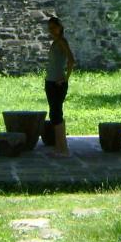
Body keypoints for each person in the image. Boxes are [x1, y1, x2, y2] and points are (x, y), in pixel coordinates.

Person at [44, 16, 75, 156]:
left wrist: (65, 78)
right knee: (55, 114)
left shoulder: (62, 41)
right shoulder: (55, 42)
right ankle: (60, 147)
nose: (51, 30)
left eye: (53, 27)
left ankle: (63, 149)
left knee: (56, 115)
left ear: (60, 27)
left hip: (57, 83)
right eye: (49, 27)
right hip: (50, 82)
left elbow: (71, 60)